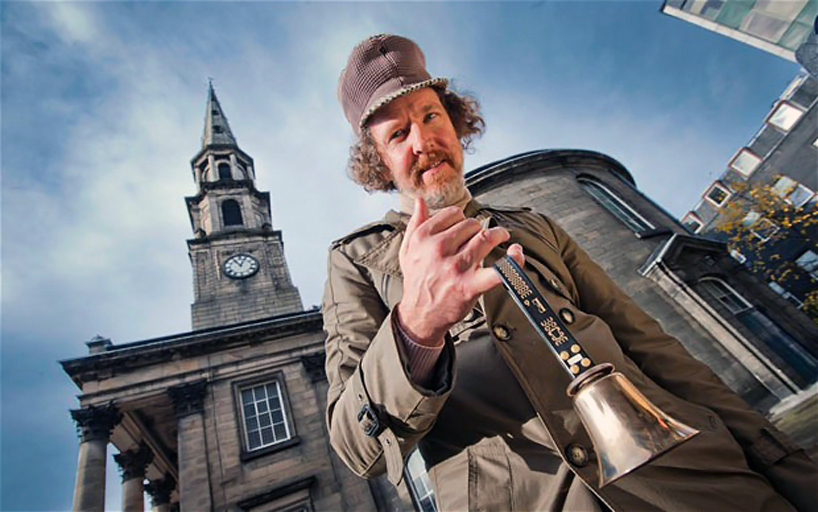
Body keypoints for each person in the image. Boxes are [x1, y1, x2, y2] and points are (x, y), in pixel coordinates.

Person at [322, 34, 818, 511]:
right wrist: (416, 326)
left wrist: (782, 464)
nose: (424, 141)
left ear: (455, 123)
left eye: (431, 115)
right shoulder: (356, 263)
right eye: (398, 133)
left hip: (696, 483)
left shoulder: (539, 228)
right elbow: (354, 447)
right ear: (380, 162)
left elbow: (656, 351)